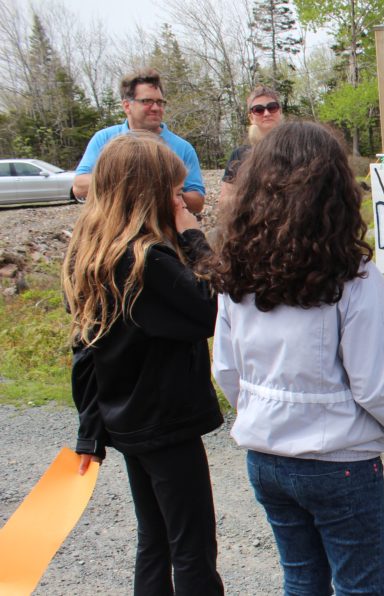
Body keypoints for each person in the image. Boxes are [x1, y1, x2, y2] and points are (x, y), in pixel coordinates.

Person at [210, 121, 384, 594]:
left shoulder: (235, 273)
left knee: (301, 581)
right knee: (358, 588)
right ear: (335, 191)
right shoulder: (355, 280)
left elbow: (226, 369)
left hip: (267, 457)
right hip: (338, 463)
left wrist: (263, 415)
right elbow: (378, 388)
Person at [63, 133, 224, 595]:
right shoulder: (146, 259)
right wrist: (193, 236)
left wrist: (90, 429)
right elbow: (213, 308)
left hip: (127, 419)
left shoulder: (92, 251)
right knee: (192, 547)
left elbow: (84, 348)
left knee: (154, 542)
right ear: (148, 192)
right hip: (166, 421)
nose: (183, 200)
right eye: (175, 192)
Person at [73, 68, 206, 214]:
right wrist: (132, 183)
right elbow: (79, 187)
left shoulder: (182, 148)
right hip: (113, 231)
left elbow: (197, 202)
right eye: (147, 101)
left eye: (160, 102)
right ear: (127, 105)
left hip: (164, 232)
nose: (156, 108)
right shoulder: (104, 139)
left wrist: (159, 192)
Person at [219, 84, 284, 210]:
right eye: (258, 110)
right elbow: (224, 202)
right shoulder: (240, 155)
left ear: (280, 111)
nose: (266, 113)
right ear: (251, 117)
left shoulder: (298, 147)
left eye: (272, 108)